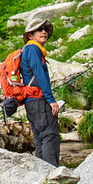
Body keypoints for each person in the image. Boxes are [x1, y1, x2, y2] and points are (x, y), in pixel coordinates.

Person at [17, 19, 60, 166]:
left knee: (39, 138)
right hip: (39, 99)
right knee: (49, 135)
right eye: (39, 30)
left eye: (45, 29)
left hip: (31, 102)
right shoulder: (33, 49)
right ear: (30, 35)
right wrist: (51, 99)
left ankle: (42, 175)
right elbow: (39, 74)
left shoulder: (27, 50)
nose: (44, 32)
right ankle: (53, 173)